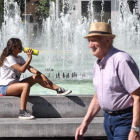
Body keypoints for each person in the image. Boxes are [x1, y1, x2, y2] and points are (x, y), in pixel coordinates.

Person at [75, 22, 140, 140]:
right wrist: (85, 123)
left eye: (93, 40)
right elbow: (97, 98)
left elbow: (137, 97)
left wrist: (135, 129)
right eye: (89, 41)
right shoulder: (98, 64)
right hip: (108, 120)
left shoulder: (121, 60)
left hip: (125, 120)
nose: (90, 45)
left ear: (108, 40)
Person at [0, 38, 72, 120]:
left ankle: (58, 89)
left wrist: (41, 75)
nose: (22, 47)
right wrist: (29, 58)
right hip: (5, 87)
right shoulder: (9, 58)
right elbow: (22, 69)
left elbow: (30, 68)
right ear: (13, 47)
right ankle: (22, 112)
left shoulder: (19, 58)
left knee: (36, 77)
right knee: (25, 85)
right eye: (20, 45)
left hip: (15, 85)